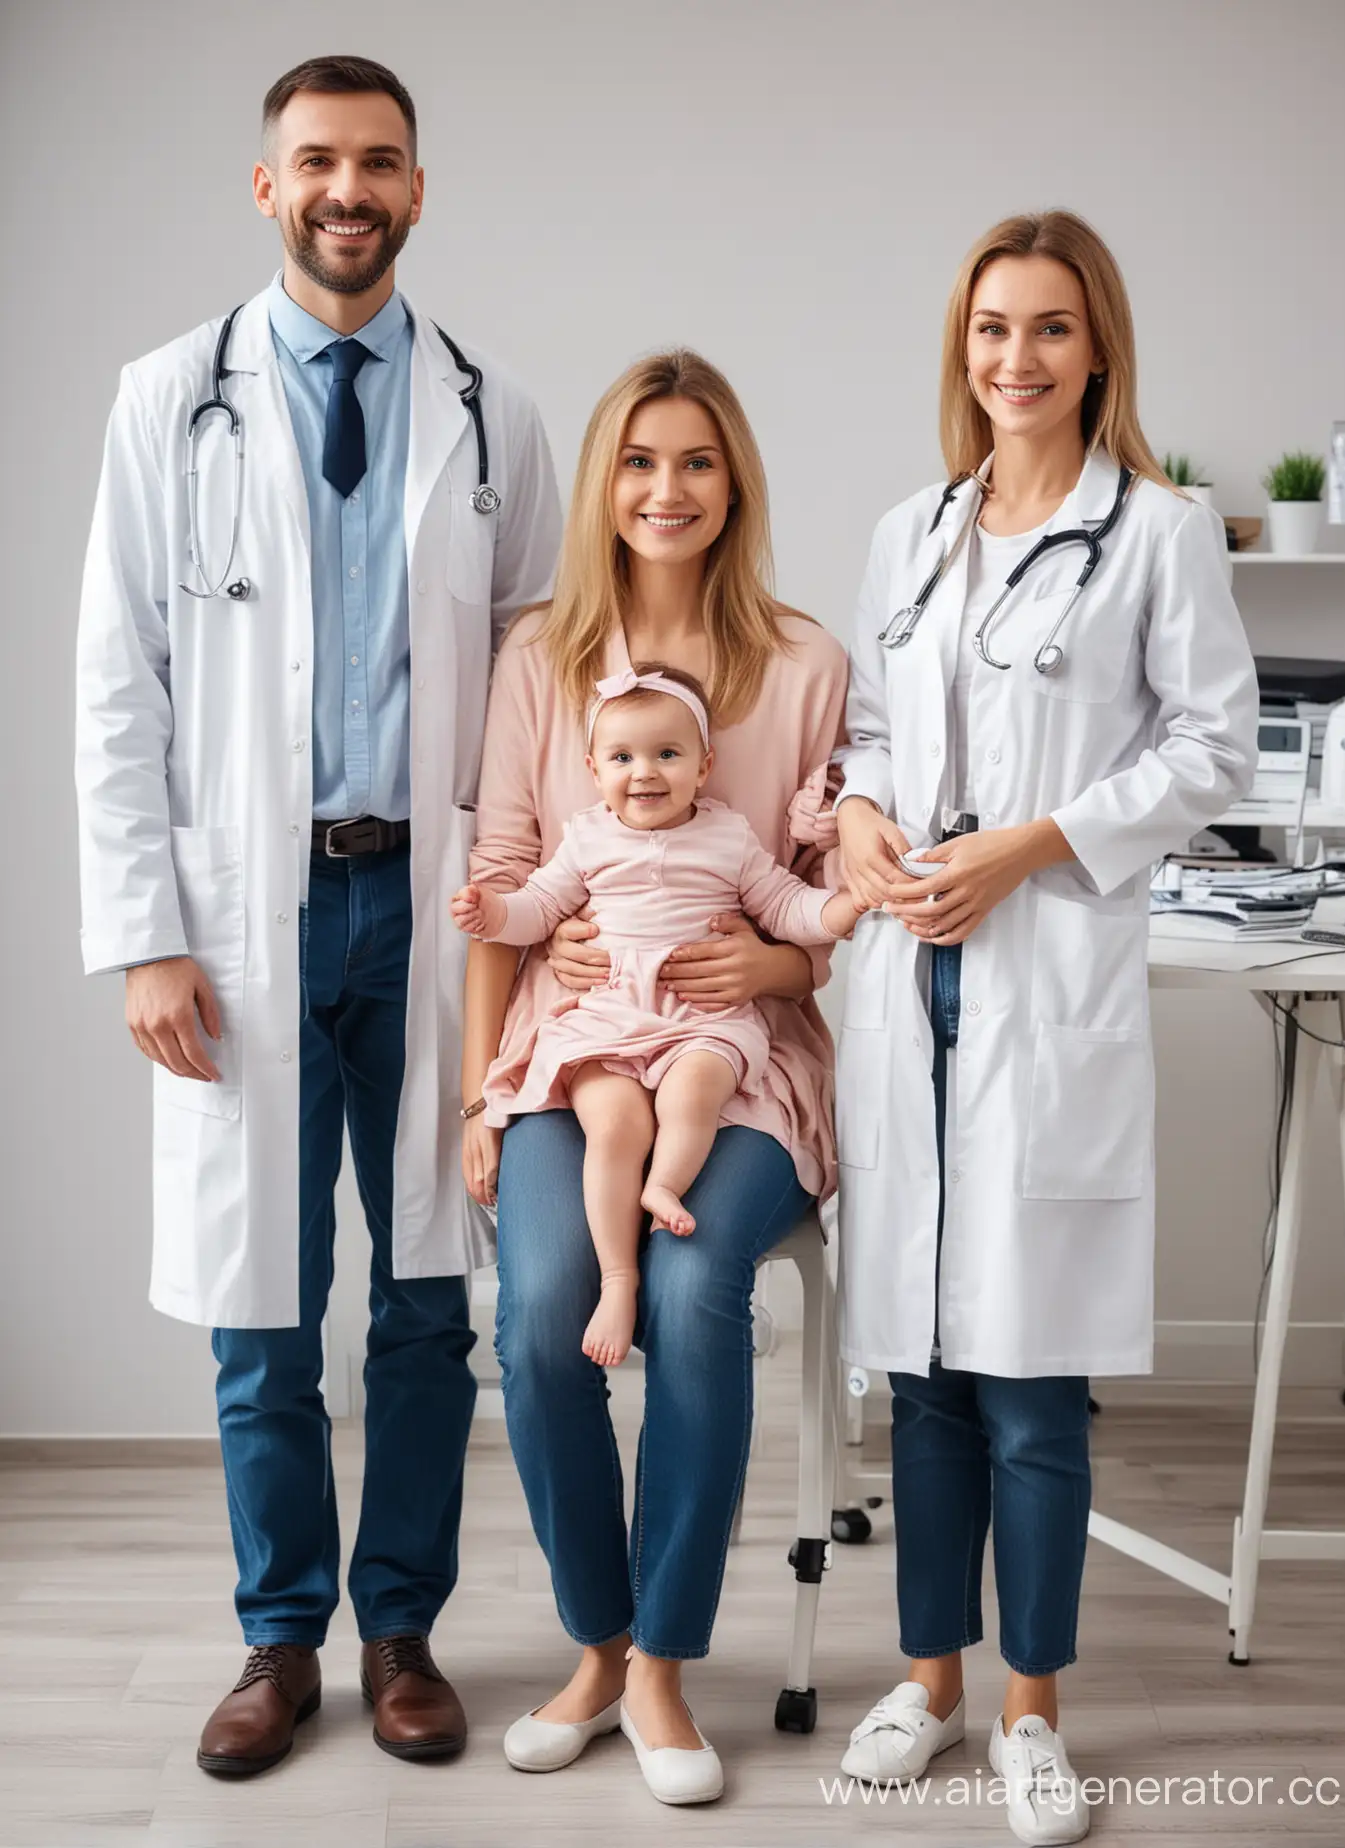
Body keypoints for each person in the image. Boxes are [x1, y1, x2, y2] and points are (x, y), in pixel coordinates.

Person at [74, 55, 560, 1777]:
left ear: (417, 188)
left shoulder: (493, 414)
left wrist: (531, 937)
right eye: (316, 161)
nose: (347, 188)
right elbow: (113, 683)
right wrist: (145, 927)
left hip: (429, 908)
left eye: (378, 161)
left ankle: (404, 1626)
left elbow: (538, 702)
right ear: (265, 187)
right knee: (257, 1300)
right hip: (244, 916)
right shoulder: (164, 399)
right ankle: (279, 1638)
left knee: (426, 1289)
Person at [831, 211, 1257, 1844]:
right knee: (924, 1377)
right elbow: (870, 729)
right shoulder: (908, 531)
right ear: (963, 345)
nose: (1015, 359)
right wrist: (867, 823)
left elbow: (1211, 749)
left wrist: (1030, 843)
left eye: (1050, 331)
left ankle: (1028, 1706)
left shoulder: (1156, 529)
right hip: (909, 984)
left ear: (1098, 350)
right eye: (991, 328)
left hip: (1040, 973)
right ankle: (926, 1680)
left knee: (1028, 1387)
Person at [461, 350, 846, 1804]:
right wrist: (476, 1099)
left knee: (693, 1296)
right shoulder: (538, 658)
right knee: (549, 1304)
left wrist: (777, 970)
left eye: (695, 461)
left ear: (733, 478)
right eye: (637, 461)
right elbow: (506, 884)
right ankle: (599, 1643)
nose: (665, 490)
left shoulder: (805, 663)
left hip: (743, 1064)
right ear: (603, 484)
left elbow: (823, 905)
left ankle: (668, 1668)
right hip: (569, 1060)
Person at [452, 665, 861, 1365]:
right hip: (607, 1020)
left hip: (700, 1021)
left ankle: (664, 1185)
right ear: (593, 768)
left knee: (694, 1091)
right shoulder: (585, 839)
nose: (645, 773)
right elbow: (537, 907)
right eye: (622, 758)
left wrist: (841, 908)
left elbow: (785, 905)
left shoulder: (728, 838)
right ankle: (618, 1278)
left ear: (705, 766)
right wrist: (494, 912)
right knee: (613, 1125)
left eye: (667, 755)